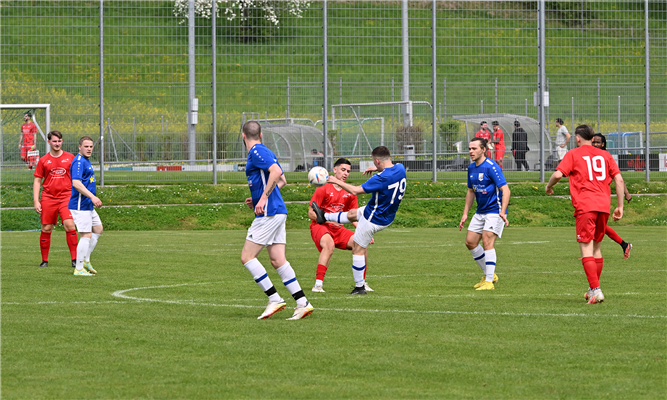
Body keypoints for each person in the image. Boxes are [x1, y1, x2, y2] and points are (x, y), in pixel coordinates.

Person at [240, 121, 313, 320]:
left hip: (269, 213)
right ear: (261, 135)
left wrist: (263, 198)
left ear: (243, 136)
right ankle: (302, 303)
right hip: (277, 211)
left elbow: (277, 173)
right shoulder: (265, 150)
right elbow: (282, 181)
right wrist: (258, 197)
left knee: (247, 257)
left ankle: (274, 299)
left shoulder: (256, 151)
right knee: (277, 260)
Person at [546, 125, 625, 304]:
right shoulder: (605, 155)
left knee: (586, 249)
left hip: (585, 206)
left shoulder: (574, 153)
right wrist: (620, 206)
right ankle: (592, 289)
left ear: (578, 138)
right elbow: (619, 179)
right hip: (603, 206)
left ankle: (596, 290)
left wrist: (548, 186)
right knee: (596, 249)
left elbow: (558, 174)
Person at [312, 146, 407, 295]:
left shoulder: (380, 178)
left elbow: (355, 190)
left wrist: (332, 180)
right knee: (352, 214)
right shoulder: (400, 168)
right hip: (386, 214)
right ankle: (324, 216)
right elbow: (388, 169)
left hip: (373, 218)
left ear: (376, 160)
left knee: (358, 248)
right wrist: (377, 169)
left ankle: (359, 287)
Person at [308, 158, 373, 293]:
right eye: (343, 170)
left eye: (348, 171)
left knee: (361, 244)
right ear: (335, 170)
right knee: (329, 245)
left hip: (339, 229)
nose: (346, 173)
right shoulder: (323, 188)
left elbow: (354, 216)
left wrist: (364, 231)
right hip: (321, 227)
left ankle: (361, 283)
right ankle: (318, 285)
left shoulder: (350, 192)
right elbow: (311, 213)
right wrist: (325, 220)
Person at [458, 137, 510, 291]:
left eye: (474, 149)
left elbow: (505, 190)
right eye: (469, 149)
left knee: (487, 241)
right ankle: (490, 274)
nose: (470, 152)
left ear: (483, 149)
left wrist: (503, 212)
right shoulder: (471, 168)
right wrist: (465, 214)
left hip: (495, 211)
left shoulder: (492, 167)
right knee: (470, 242)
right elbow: (470, 191)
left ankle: (488, 282)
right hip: (481, 211)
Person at [33, 131, 78, 268]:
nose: (57, 144)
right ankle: (44, 261)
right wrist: (36, 200)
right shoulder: (43, 160)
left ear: (62, 142)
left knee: (69, 224)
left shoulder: (70, 158)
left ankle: (75, 259)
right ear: (49, 142)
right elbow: (37, 181)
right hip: (48, 197)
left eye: (59, 141)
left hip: (66, 196)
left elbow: (77, 178)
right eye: (54, 141)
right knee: (46, 228)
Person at [592, 133, 633, 258]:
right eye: (593, 142)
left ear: (603, 144)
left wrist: (626, 193)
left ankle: (590, 254)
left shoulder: (606, 157)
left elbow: (618, 178)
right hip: (591, 196)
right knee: (597, 226)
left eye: (598, 142)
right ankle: (624, 245)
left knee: (597, 226)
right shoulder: (589, 157)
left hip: (601, 197)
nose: (595, 145)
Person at [68, 136, 103, 276]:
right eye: (86, 146)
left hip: (87, 205)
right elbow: (76, 183)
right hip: (79, 205)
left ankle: (86, 260)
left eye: (91, 146)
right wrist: (93, 197)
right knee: (86, 235)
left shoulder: (86, 161)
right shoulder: (78, 162)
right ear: (79, 147)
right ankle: (79, 268)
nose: (89, 149)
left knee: (98, 229)